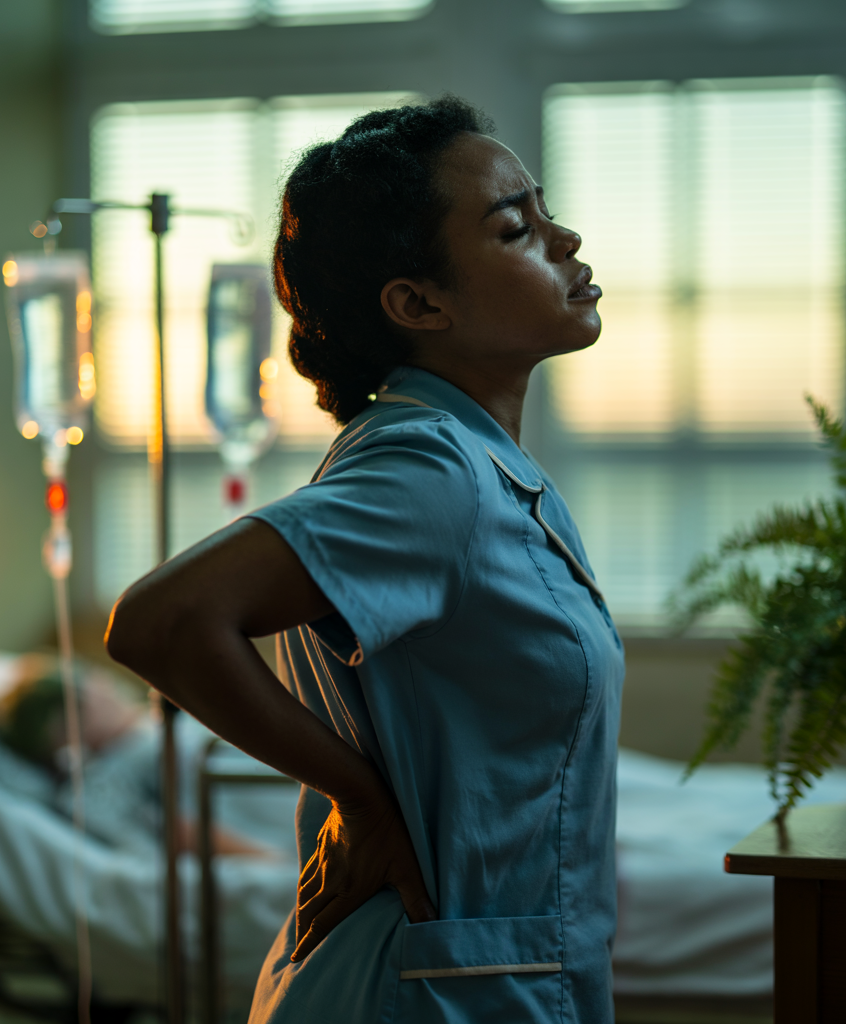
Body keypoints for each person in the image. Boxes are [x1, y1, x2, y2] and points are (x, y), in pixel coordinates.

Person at [106, 96, 624, 1023]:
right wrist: (361, 800)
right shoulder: (431, 469)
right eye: (516, 228)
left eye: (544, 211)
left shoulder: (478, 464)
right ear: (419, 303)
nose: (566, 238)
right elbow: (163, 622)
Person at [0, 654, 270, 857]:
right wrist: (274, 861)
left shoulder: (149, 725)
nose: (103, 682)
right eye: (88, 687)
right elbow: (183, 831)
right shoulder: (121, 768)